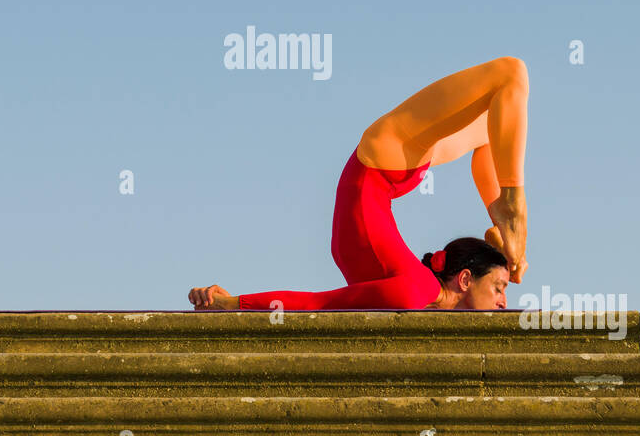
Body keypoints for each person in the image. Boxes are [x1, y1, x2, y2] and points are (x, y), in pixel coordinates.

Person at [188, 56, 529, 311]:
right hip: (387, 163)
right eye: (499, 287)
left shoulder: (417, 293)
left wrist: (235, 302)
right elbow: (318, 304)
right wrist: (232, 303)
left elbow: (322, 303)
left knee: (507, 89)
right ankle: (507, 208)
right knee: (507, 83)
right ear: (465, 279)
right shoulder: (418, 292)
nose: (504, 301)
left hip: (384, 166)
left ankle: (504, 211)